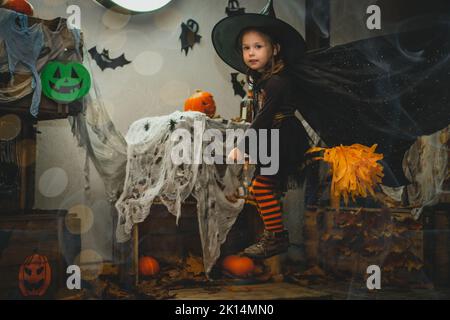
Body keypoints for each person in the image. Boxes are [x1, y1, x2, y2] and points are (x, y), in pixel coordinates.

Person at [212, 1, 311, 259]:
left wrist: (242, 148)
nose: (251, 53)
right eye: (246, 48)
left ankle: (276, 238)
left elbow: (264, 119)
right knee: (262, 188)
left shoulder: (277, 82)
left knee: (261, 188)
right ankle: (276, 236)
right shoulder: (263, 81)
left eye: (258, 46)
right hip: (273, 137)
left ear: (275, 49)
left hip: (284, 137)